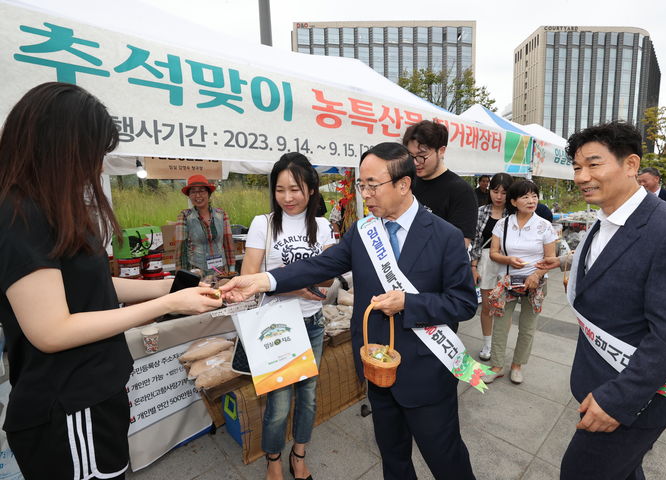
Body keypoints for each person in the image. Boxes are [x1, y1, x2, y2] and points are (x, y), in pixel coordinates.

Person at [0, 82, 222, 479]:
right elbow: (51, 330)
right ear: (61, 147)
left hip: (96, 392)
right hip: (69, 405)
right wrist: (166, 305)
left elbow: (95, 285)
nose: (99, 166)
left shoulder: (54, 209)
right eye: (95, 154)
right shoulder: (20, 216)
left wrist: (169, 287)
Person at [221, 142, 477, 480]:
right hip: (376, 371)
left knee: (446, 459)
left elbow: (464, 302)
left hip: (427, 373)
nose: (365, 194)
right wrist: (263, 280)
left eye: (373, 185)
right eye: (362, 185)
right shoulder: (363, 232)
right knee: (393, 458)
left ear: (403, 185)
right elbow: (318, 266)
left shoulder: (445, 236)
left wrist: (410, 303)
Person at [539, 122, 666, 479]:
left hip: (635, 399)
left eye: (593, 164)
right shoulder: (603, 221)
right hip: (598, 381)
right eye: (576, 167)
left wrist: (618, 401)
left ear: (631, 164)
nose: (582, 176)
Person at [241, 153, 334, 480]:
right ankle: (274, 460)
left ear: (310, 190)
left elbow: (328, 279)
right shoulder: (262, 224)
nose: (288, 197)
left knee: (307, 399)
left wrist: (291, 279)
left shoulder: (323, 227)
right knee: (279, 404)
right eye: (280, 190)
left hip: (313, 323)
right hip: (277, 326)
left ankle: (299, 455)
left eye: (295, 189)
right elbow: (249, 278)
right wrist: (294, 287)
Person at [483, 180, 556, 384]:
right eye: (525, 197)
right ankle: (497, 365)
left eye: (534, 196)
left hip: (536, 284)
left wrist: (536, 275)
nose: (531, 200)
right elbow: (494, 254)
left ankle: (517, 365)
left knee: (527, 327)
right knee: (500, 325)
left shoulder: (544, 226)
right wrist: (509, 260)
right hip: (507, 283)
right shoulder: (502, 224)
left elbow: (550, 259)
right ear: (514, 201)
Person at [402, 120, 478, 247]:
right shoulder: (409, 182)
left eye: (422, 155)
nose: (415, 162)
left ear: (441, 151)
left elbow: (460, 245)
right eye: (411, 156)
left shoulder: (461, 192)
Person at [470, 172, 513, 361]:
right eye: (495, 191)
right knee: (487, 306)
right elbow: (476, 241)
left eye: (504, 193)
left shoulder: (514, 214)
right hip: (486, 262)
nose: (499, 196)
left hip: (508, 264)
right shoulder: (481, 212)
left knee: (504, 308)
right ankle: (487, 344)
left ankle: (499, 344)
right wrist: (473, 266)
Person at [175, 174, 235, 276]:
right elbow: (180, 248)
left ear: (208, 193)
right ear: (189, 196)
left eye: (202, 191)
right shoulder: (185, 216)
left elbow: (228, 244)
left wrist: (232, 268)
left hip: (221, 271)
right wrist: (181, 273)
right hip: (197, 271)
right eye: (193, 192)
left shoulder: (221, 214)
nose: (198, 195)